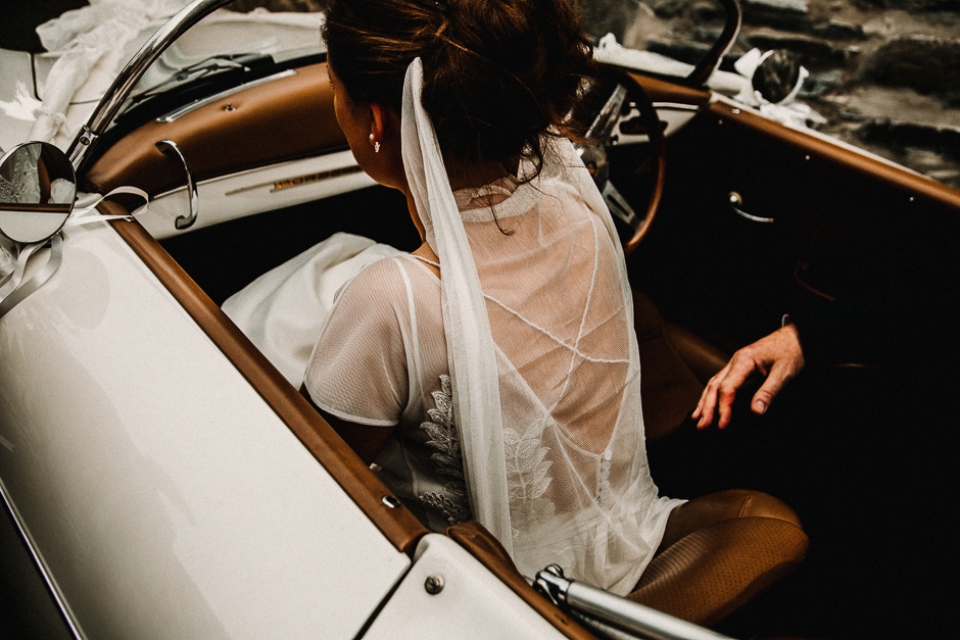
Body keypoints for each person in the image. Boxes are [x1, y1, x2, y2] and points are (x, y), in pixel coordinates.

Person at [298, 0, 807, 622]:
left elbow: (317, 481)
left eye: (332, 88)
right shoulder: (583, 215)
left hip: (495, 606)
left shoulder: (391, 299)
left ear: (376, 122)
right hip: (627, 546)